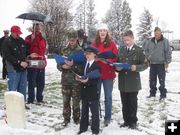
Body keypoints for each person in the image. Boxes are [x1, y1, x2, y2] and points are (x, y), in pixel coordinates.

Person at [116, 30, 148, 129]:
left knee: (133, 102)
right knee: (124, 102)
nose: (126, 42)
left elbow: (145, 64)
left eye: (128, 40)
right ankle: (126, 121)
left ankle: (133, 121)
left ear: (133, 38)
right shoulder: (121, 49)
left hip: (133, 81)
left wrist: (136, 68)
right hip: (123, 81)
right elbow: (117, 62)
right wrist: (117, 68)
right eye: (125, 40)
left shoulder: (139, 50)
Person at [92, 23, 118, 126]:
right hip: (97, 74)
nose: (102, 32)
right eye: (100, 30)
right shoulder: (94, 44)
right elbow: (89, 56)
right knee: (95, 97)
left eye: (104, 30)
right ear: (98, 32)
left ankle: (107, 117)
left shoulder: (112, 44)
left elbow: (116, 57)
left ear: (107, 32)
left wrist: (107, 60)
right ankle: (95, 116)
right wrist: (96, 58)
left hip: (108, 74)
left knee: (108, 97)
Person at [1, 25, 33, 109]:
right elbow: (7, 56)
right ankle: (11, 106)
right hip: (13, 69)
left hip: (23, 69)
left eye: (19, 33)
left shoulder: (21, 40)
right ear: (12, 32)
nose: (18, 35)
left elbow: (25, 50)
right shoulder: (6, 42)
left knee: (22, 88)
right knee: (13, 88)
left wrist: (29, 54)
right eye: (17, 33)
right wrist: (19, 62)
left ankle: (21, 104)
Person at [56, 30, 83, 126]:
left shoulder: (80, 51)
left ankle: (76, 119)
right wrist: (62, 67)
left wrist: (73, 65)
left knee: (76, 101)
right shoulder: (64, 50)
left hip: (76, 81)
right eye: (70, 39)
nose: (72, 41)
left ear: (76, 39)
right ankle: (66, 119)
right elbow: (58, 65)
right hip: (65, 80)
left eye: (73, 39)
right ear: (68, 39)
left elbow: (83, 67)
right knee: (65, 101)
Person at [77, 45, 100, 135]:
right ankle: (83, 127)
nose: (87, 55)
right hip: (84, 91)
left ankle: (95, 129)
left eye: (89, 54)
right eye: (86, 54)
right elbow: (80, 74)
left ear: (94, 55)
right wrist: (78, 77)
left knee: (94, 112)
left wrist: (88, 81)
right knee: (84, 110)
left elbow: (96, 80)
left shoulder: (97, 66)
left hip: (93, 92)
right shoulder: (83, 64)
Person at [144, 27, 172, 100]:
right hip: (152, 64)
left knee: (161, 80)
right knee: (152, 80)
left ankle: (163, 95)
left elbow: (168, 52)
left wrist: (167, 62)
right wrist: (148, 58)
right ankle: (152, 94)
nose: (157, 34)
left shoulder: (165, 41)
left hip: (161, 64)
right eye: (155, 33)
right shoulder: (150, 41)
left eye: (158, 33)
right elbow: (146, 50)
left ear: (160, 33)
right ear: (154, 33)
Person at [25, 23, 47, 105]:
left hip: (41, 63)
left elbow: (44, 50)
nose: (37, 29)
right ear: (32, 28)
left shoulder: (43, 38)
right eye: (35, 28)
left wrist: (44, 60)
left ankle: (39, 99)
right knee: (31, 82)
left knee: (41, 83)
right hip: (32, 63)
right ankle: (30, 99)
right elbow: (25, 50)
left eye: (38, 28)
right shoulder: (28, 38)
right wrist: (31, 41)